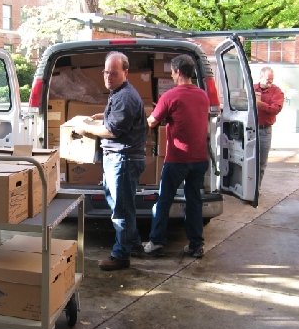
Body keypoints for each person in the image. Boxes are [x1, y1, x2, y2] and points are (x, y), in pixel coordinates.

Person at [72, 51, 147, 271]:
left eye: (113, 73)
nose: (108, 77)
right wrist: (101, 116)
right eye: (105, 72)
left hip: (122, 160)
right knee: (124, 205)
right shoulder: (119, 92)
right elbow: (116, 120)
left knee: (120, 211)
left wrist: (85, 128)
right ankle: (132, 244)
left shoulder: (124, 97)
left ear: (126, 72)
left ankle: (121, 255)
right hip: (119, 159)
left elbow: (112, 131)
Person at [143, 54, 210, 259]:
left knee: (164, 200)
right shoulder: (203, 95)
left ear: (178, 72)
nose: (171, 75)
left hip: (177, 159)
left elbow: (151, 122)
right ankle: (196, 245)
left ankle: (156, 242)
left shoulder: (170, 96)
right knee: (194, 201)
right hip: (200, 159)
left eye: (172, 71)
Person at [254, 66, 284, 188]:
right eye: (267, 79)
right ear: (260, 77)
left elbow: (276, 109)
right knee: (247, 161)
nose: (270, 82)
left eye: (272, 79)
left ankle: (257, 190)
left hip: (264, 131)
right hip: (249, 129)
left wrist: (260, 104)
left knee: (261, 163)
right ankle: (246, 189)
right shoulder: (252, 88)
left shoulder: (277, 92)